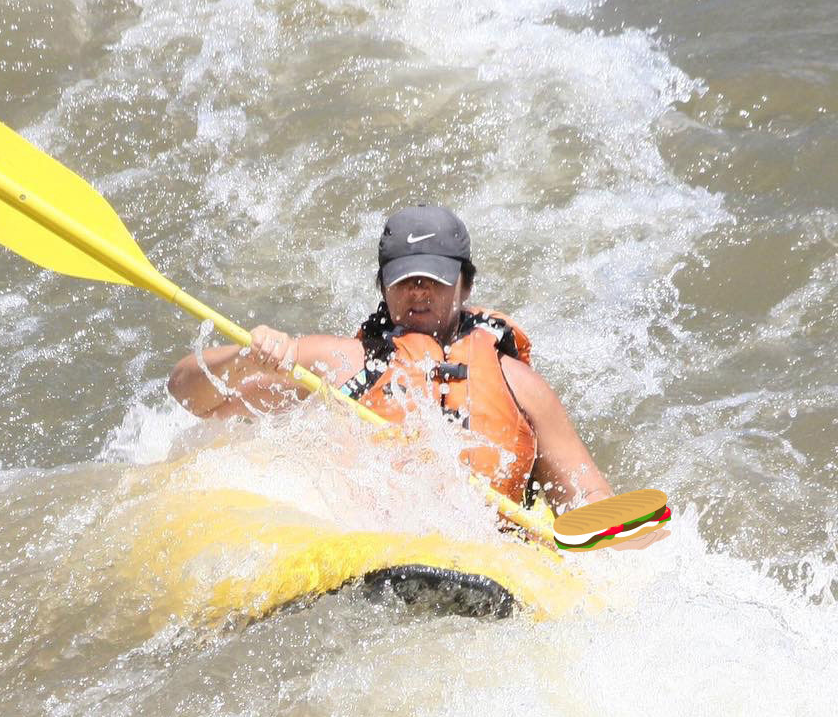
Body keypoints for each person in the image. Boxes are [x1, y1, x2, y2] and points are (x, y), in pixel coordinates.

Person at [169, 205, 668, 549]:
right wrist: (246, 356)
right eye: (406, 281)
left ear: (466, 283)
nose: (419, 293)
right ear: (383, 288)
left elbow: (588, 499)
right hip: (370, 549)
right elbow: (188, 394)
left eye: (434, 279)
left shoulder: (519, 386)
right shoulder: (342, 363)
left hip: (491, 562)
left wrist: (625, 530)